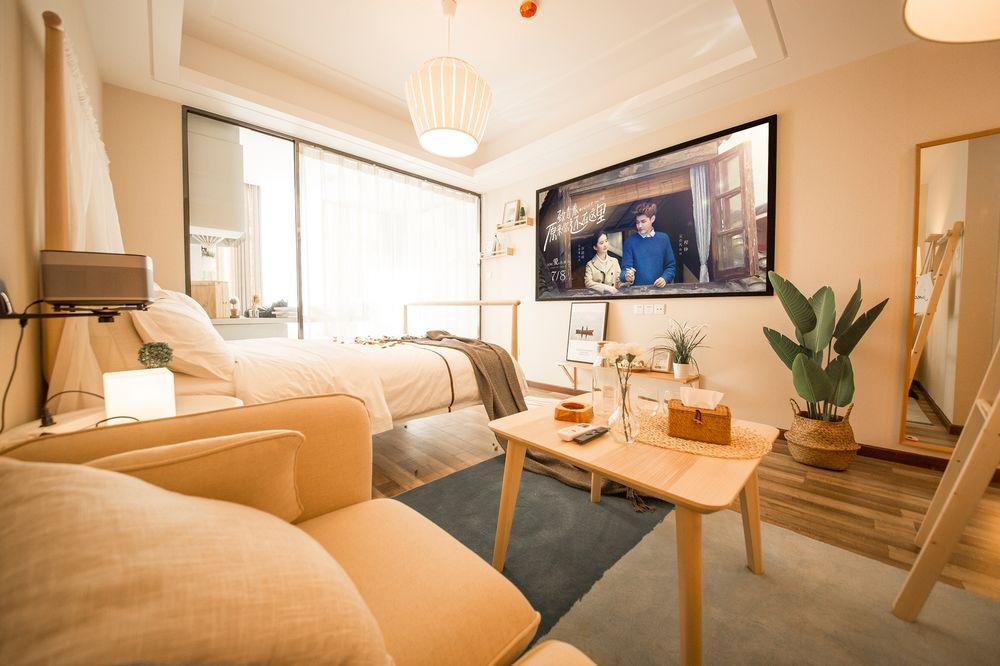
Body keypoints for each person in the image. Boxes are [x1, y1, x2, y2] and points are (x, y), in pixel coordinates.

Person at [621, 201, 675, 288]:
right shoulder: (629, 242)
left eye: (643, 221)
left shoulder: (663, 239)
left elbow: (670, 266)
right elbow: (624, 271)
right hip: (637, 292)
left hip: (660, 291)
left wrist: (665, 278)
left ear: (652, 219)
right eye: (637, 222)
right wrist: (627, 276)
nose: (639, 226)